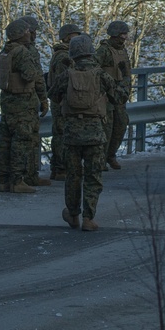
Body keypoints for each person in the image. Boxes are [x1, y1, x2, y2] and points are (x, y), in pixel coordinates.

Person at [50, 35, 127, 232]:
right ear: (91, 52)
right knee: (93, 177)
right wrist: (125, 79)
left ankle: (73, 214)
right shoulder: (100, 74)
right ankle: (88, 218)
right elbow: (118, 97)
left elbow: (53, 95)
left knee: (73, 176)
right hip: (95, 134)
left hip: (71, 134)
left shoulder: (67, 74)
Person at [0, 19, 49, 194]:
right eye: (27, 31)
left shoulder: (5, 52)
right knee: (22, 142)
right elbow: (30, 75)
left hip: (8, 102)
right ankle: (18, 180)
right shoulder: (22, 53)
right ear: (20, 34)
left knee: (6, 142)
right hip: (24, 103)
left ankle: (3, 181)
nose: (30, 33)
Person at [17, 15, 51, 186]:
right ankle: (25, 177)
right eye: (33, 31)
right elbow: (36, 77)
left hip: (13, 100)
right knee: (28, 140)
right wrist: (43, 99)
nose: (35, 34)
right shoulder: (26, 51)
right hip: (26, 100)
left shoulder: (10, 49)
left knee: (14, 139)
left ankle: (11, 178)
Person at [95, 21, 133, 170]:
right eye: (123, 34)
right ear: (115, 34)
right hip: (106, 95)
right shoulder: (103, 51)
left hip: (120, 94)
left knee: (121, 124)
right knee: (107, 128)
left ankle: (111, 154)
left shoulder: (123, 51)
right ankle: (102, 158)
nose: (125, 37)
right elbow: (95, 69)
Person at [47, 23, 82, 181]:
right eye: (74, 36)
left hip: (63, 99)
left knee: (62, 134)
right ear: (67, 38)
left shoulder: (65, 54)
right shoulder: (63, 56)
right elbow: (62, 81)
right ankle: (60, 168)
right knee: (61, 134)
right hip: (62, 100)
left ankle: (59, 168)